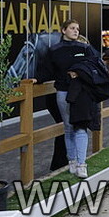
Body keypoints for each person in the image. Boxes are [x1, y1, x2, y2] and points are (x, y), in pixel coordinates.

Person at [36, 19, 100, 178]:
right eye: (72, 28)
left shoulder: (85, 48)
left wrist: (80, 73)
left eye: (77, 28)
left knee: (80, 126)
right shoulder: (54, 50)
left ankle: (81, 164)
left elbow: (97, 66)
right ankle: (72, 161)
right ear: (63, 30)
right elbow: (46, 70)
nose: (76, 31)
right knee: (68, 127)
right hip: (63, 93)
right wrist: (37, 79)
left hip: (82, 94)